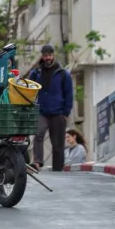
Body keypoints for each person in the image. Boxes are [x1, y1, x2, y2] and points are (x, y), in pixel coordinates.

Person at [26, 44, 75, 172]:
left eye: (50, 55)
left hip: (58, 112)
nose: (47, 58)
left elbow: (69, 94)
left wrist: (66, 112)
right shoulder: (36, 73)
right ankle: (37, 162)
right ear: (42, 56)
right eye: (45, 55)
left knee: (57, 142)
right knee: (38, 135)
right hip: (42, 111)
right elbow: (28, 89)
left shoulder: (63, 74)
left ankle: (58, 168)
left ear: (53, 55)